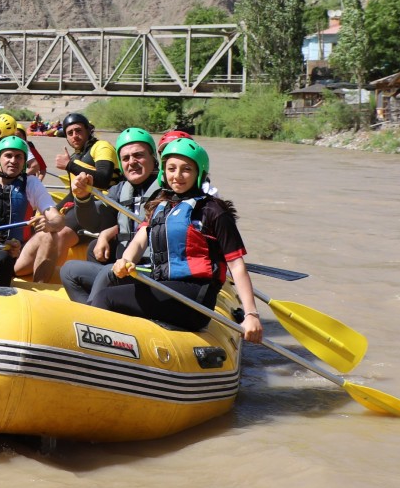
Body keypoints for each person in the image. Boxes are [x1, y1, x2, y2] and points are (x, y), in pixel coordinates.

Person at [76, 138, 263, 338]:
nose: (177, 176)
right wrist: (126, 260)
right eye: (171, 169)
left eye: (186, 169)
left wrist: (251, 313)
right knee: (108, 282)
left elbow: (236, 264)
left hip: (194, 299)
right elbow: (140, 239)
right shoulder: (161, 205)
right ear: (164, 172)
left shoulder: (213, 210)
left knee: (106, 297)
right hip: (164, 286)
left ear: (199, 173)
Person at [59, 127, 163, 305]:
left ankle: (93, 316)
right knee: (68, 271)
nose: (132, 162)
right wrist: (83, 198)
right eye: (125, 158)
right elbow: (93, 223)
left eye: (138, 155)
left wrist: (107, 235)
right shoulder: (120, 190)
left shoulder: (168, 190)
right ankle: (96, 316)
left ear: (153, 158)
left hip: (152, 271)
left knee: (108, 273)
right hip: (122, 268)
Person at [18, 112, 116, 283]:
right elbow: (72, 194)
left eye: (78, 131)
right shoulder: (76, 156)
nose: (74, 136)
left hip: (103, 206)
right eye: (70, 133)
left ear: (88, 130)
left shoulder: (102, 147)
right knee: (42, 226)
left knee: (60, 234)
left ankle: (48, 284)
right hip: (81, 204)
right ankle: (20, 271)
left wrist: (69, 165)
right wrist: (50, 212)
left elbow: (104, 177)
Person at [0, 136, 65, 285]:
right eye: (8, 155)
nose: (13, 160)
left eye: (19, 157)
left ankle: (39, 289)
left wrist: (50, 224)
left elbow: (58, 219)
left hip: (18, 256)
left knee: (50, 234)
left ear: (24, 162)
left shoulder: (31, 184)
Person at [0, 113, 46, 179]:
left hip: (13, 182)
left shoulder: (19, 143)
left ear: (0, 130)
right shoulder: (1, 141)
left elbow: (35, 166)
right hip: (2, 179)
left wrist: (20, 179)